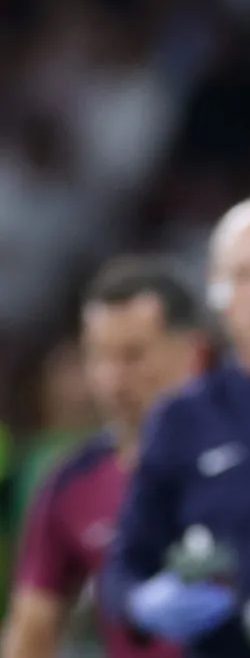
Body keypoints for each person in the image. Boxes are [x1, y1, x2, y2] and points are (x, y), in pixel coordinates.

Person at [102, 195, 250, 658]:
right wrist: (141, 603)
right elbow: (123, 566)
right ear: (215, 285)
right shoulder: (180, 418)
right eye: (243, 276)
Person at [2, 257, 207, 658]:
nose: (113, 379)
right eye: (99, 356)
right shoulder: (72, 483)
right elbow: (30, 631)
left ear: (192, 353)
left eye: (132, 356)